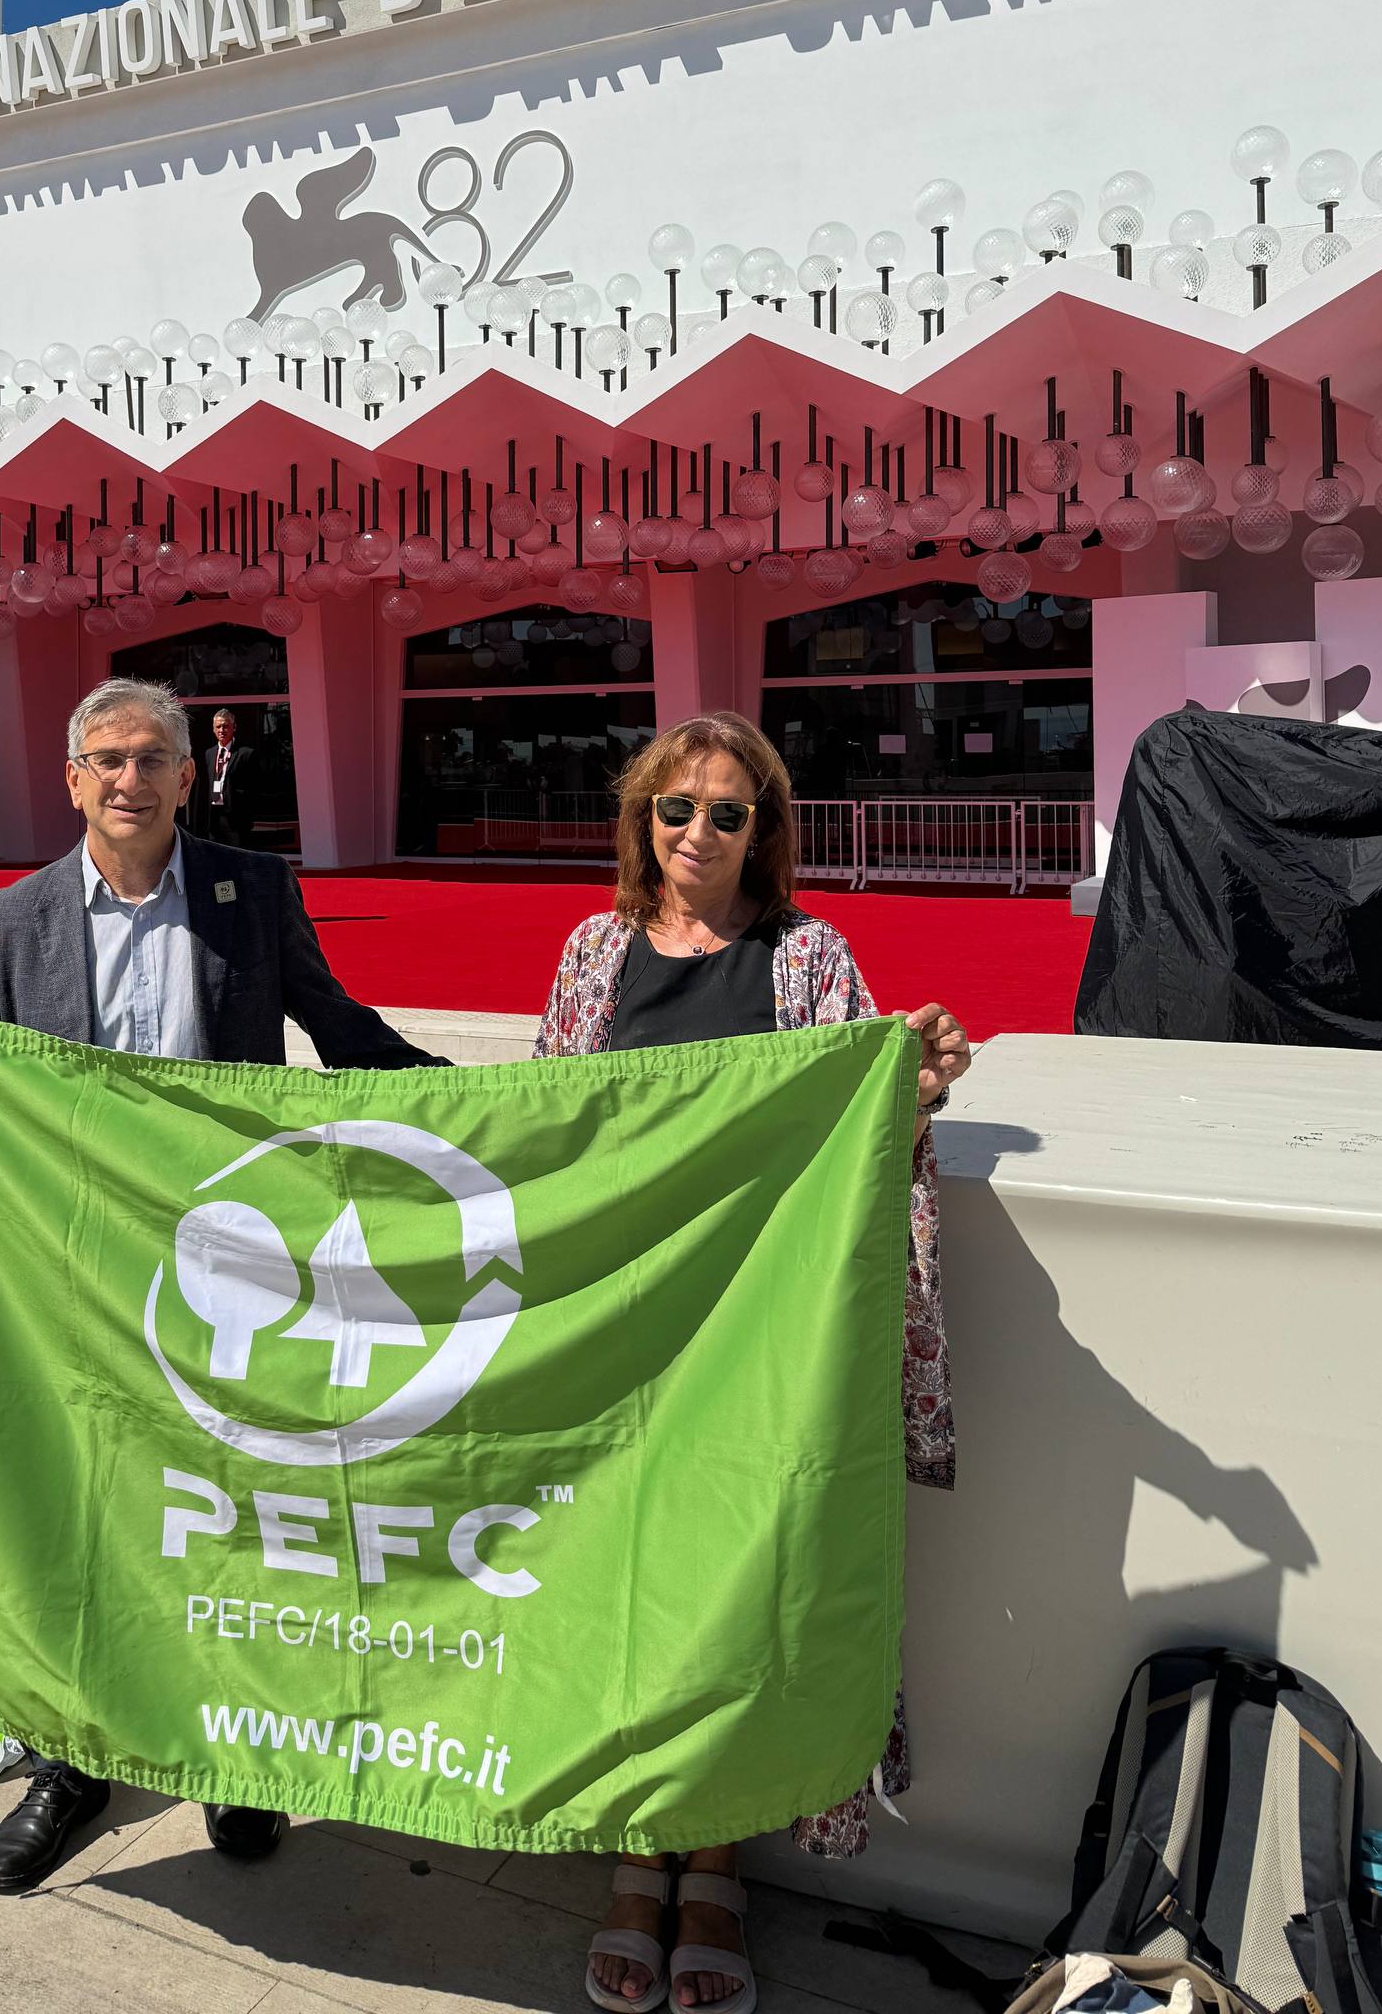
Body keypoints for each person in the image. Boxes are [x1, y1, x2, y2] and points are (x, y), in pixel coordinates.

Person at [0, 675, 444, 1897]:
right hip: (71, 1282)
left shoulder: (252, 893)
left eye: (150, 757)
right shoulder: (8, 923)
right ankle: (74, 1759)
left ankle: (239, 1753)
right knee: (85, 1522)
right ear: (74, 780)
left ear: (186, 774)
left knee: (228, 1517)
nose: (128, 778)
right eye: (105, 758)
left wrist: (496, 1108)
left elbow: (338, 1025)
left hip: (234, 1281)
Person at [531, 711, 970, 2014]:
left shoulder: (812, 959)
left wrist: (920, 1088)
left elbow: (856, 1127)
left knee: (731, 1597)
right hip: (620, 1336)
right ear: (641, 822)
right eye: (677, 810)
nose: (699, 834)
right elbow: (545, 1133)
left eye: (730, 814)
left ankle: (713, 1862)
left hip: (754, 1337)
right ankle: (630, 1857)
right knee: (620, 1593)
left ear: (766, 831)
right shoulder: (592, 953)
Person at [200, 707, 257, 847]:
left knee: (237, 858)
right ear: (213, 729)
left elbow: (253, 788)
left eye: (226, 726)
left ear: (234, 727)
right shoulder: (209, 753)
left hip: (235, 819)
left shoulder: (246, 754)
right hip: (214, 817)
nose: (221, 730)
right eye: (218, 727)